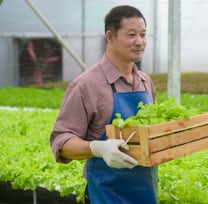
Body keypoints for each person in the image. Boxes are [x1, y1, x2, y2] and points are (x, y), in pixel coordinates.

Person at [50, 5, 158, 204]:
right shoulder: (87, 85)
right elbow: (61, 142)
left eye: (143, 34)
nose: (140, 42)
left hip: (145, 192)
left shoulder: (145, 82)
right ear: (110, 37)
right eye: (131, 35)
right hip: (105, 194)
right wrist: (97, 148)